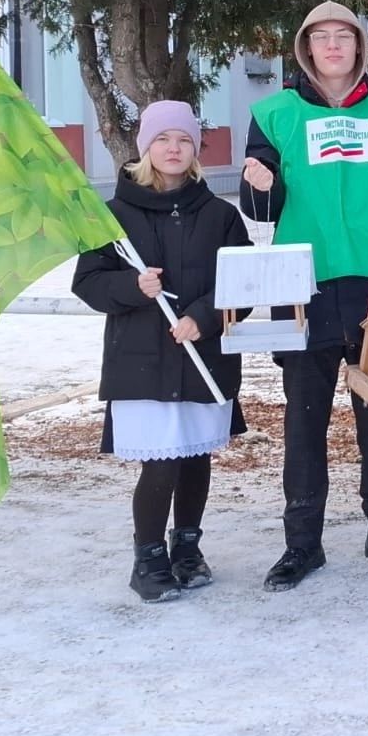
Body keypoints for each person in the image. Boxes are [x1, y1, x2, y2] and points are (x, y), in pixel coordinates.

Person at [240, 0, 368, 591]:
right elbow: (258, 209)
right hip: (305, 282)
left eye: (342, 37)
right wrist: (261, 185)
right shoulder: (272, 113)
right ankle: (303, 543)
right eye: (319, 37)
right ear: (305, 49)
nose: (331, 46)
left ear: (358, 48)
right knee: (304, 420)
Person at [73, 102, 252, 602]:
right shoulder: (113, 216)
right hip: (142, 363)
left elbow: (241, 285)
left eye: (183, 140)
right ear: (145, 148)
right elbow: (87, 283)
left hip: (202, 359)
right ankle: (148, 556)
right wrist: (134, 286)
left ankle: (187, 548)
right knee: (161, 463)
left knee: (196, 458)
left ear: (195, 150)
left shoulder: (220, 214)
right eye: (162, 140)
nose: (173, 149)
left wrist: (203, 316)